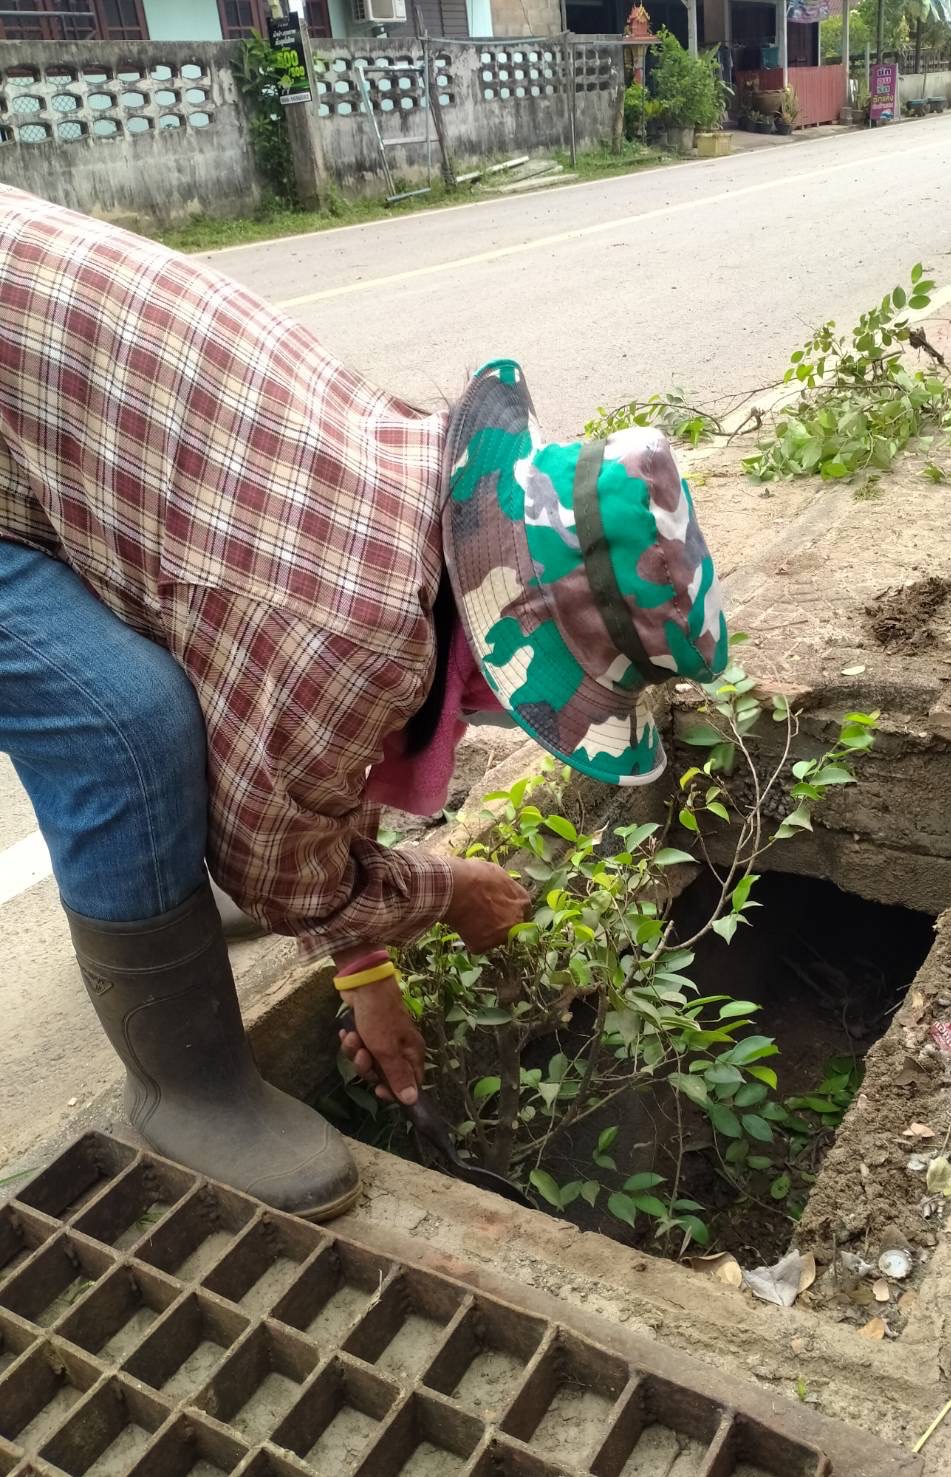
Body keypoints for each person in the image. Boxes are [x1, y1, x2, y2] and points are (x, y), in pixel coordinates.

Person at [0, 185, 726, 1221]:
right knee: (124, 724)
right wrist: (445, 889)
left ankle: (164, 887)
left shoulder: (409, 485)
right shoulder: (353, 621)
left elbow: (322, 752)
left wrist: (366, 970)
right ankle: (186, 1091)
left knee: (247, 747)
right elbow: (280, 859)